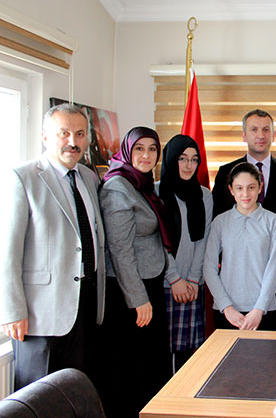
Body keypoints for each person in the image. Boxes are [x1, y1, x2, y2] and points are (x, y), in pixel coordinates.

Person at [0, 104, 106, 390]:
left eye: (80, 134)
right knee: (38, 397)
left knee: (76, 393)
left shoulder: (88, 177)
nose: (73, 141)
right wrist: (12, 311)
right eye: (64, 133)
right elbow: (7, 252)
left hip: (84, 306)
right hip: (39, 316)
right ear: (45, 136)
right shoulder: (22, 177)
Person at [99, 126, 172, 417]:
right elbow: (120, 249)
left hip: (149, 283)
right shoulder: (118, 186)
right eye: (139, 148)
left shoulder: (141, 183)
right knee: (133, 370)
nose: (146, 155)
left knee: (151, 366)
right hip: (131, 293)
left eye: (152, 149)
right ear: (128, 151)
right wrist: (138, 299)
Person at [211, 109, 276, 330]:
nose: (260, 135)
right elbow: (217, 222)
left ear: (273, 135)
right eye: (254, 129)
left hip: (273, 271)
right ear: (244, 135)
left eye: (266, 130)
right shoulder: (225, 172)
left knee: (268, 335)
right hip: (233, 275)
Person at [156, 134, 213, 371]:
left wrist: (192, 279)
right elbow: (157, 241)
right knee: (160, 353)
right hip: (164, 284)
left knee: (188, 356)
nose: (189, 165)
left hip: (192, 286)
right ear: (171, 159)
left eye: (194, 159)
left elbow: (204, 240)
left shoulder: (204, 195)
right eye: (182, 159)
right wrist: (175, 279)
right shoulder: (156, 192)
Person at [204, 163, 276, 331]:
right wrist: (226, 307)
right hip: (227, 312)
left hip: (263, 311)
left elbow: (274, 268)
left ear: (260, 187)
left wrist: (259, 309)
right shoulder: (220, 222)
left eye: (251, 187)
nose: (245, 194)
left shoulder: (273, 221)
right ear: (231, 190)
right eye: (239, 188)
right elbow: (209, 267)